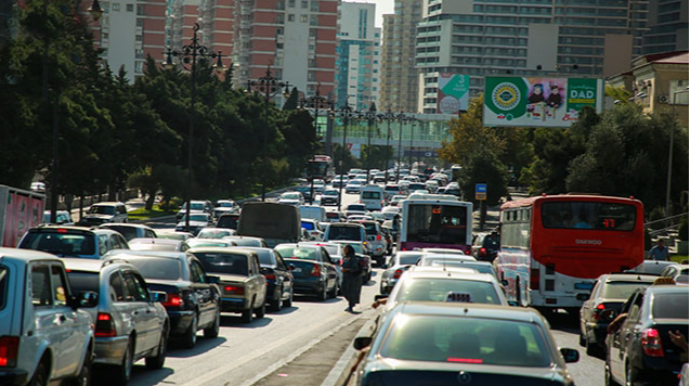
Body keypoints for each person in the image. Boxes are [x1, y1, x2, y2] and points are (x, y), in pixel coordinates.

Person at [341, 244, 364, 313]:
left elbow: (355, 268)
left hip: (353, 278)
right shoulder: (345, 258)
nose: (344, 250)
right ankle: (351, 303)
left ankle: (351, 305)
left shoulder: (353, 258)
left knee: (352, 292)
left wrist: (347, 270)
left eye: (345, 249)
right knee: (344, 290)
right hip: (346, 278)